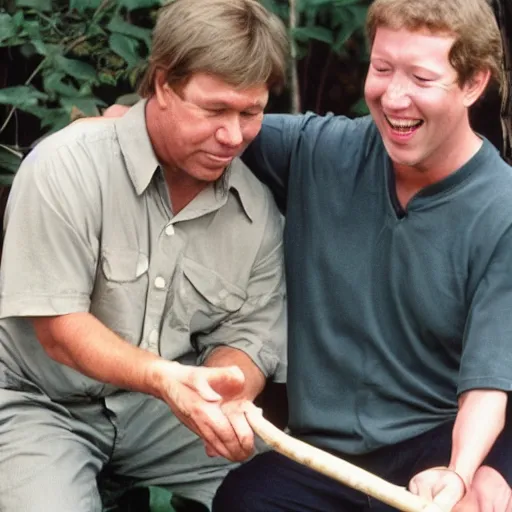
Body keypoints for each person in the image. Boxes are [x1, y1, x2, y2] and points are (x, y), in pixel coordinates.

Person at [211, 0, 512, 510]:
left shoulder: (501, 208)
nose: (395, 96)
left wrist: (461, 475)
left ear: (472, 84)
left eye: (420, 77)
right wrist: (113, 129)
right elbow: (195, 126)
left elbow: (488, 384)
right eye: (382, 69)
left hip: (438, 447)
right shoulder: (320, 150)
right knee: (243, 499)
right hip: (321, 457)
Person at [0, 1, 289, 511]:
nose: (233, 136)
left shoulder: (257, 211)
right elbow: (59, 332)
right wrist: (167, 381)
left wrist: (223, 389)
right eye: (215, 109)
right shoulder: (67, 167)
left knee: (289, 492)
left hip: (162, 413)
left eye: (251, 113)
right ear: (161, 83)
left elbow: (251, 336)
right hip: (38, 401)